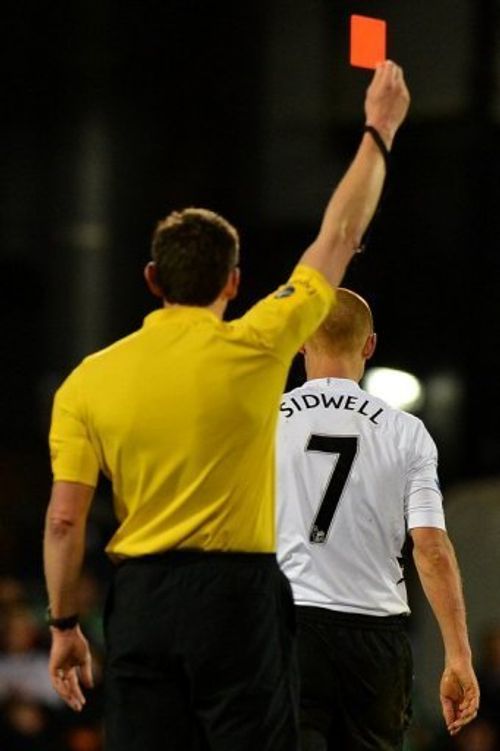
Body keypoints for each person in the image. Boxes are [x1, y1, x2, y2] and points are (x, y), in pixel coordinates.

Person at [43, 61, 410, 751]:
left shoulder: (87, 381)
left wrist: (64, 626)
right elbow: (336, 237)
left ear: (152, 278)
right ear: (235, 282)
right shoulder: (259, 343)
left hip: (144, 595)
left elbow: (64, 519)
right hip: (238, 598)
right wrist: (379, 129)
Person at [276, 288, 480, 751]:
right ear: (369, 346)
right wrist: (458, 655)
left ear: (303, 340)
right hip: (374, 636)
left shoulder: (266, 420)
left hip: (290, 625)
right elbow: (430, 549)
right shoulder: (406, 433)